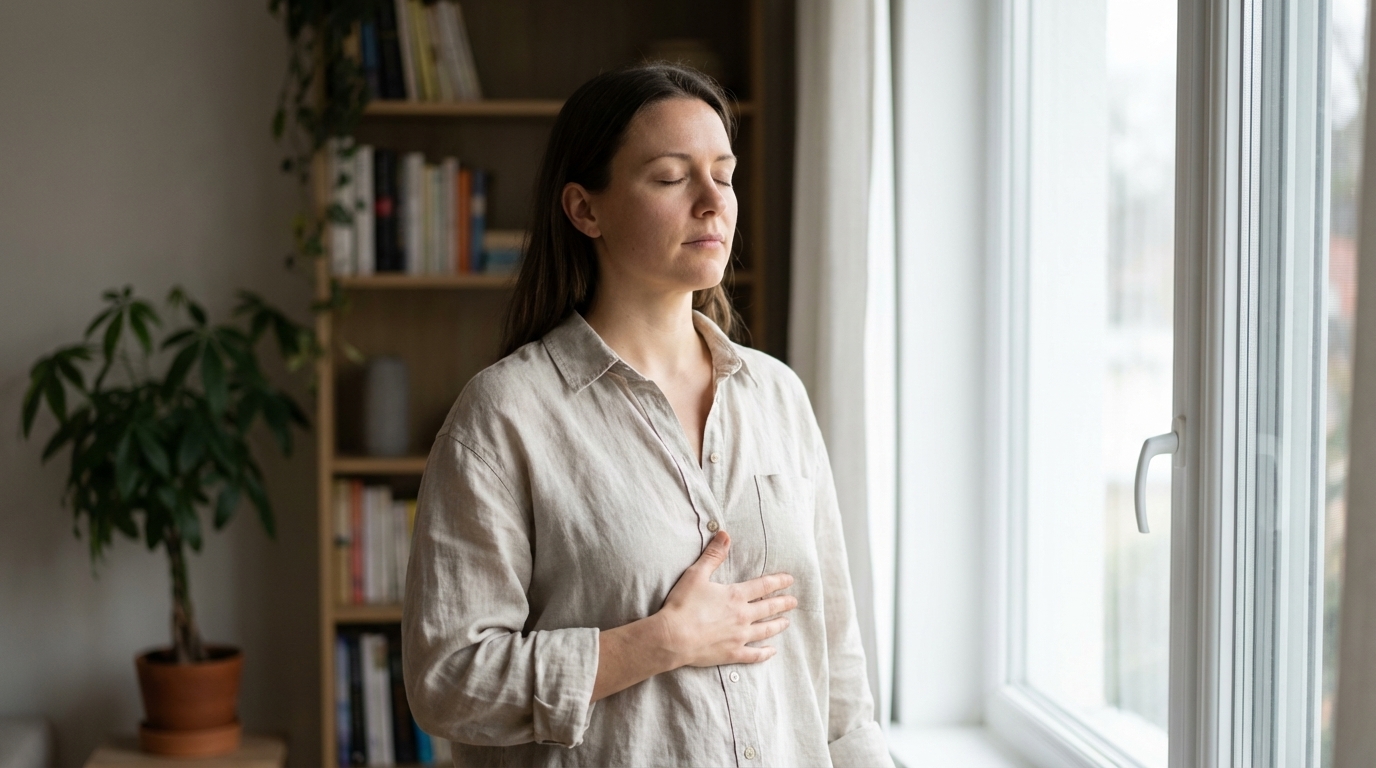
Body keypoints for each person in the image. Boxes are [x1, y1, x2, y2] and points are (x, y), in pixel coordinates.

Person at [402, 62, 892, 767]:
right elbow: (449, 683)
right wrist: (658, 643)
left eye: (722, 174)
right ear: (585, 209)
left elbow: (836, 668)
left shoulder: (779, 396)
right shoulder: (503, 417)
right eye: (671, 177)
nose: (711, 202)